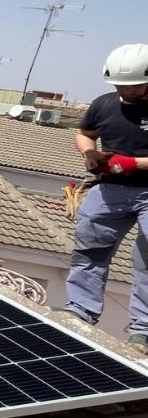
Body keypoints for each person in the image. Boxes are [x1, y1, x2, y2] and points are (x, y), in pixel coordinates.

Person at [64, 43, 148, 346]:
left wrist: (135, 163)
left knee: (147, 257)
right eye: (120, 86)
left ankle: (144, 330)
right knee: (89, 250)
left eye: (134, 86)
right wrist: (89, 152)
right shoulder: (104, 104)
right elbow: (85, 134)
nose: (126, 91)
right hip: (110, 189)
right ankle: (80, 310)